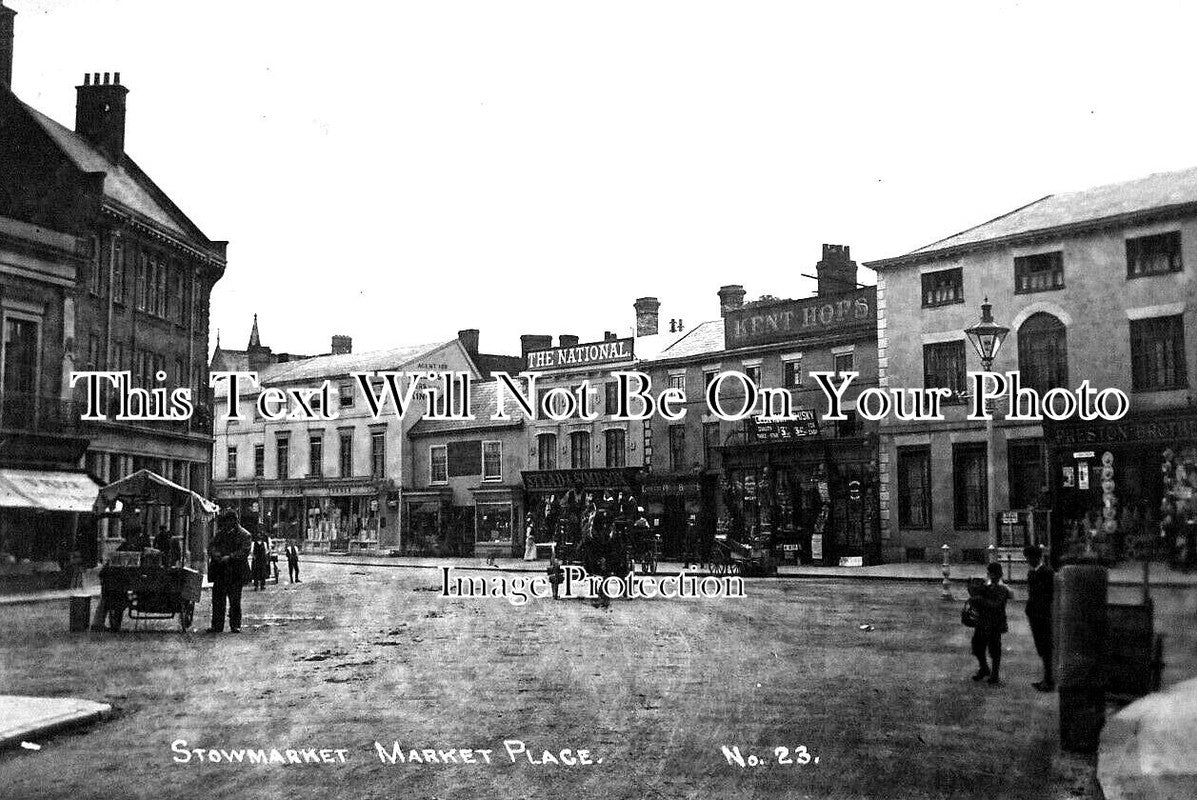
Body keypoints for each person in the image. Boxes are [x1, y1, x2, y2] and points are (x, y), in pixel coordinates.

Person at [969, 562, 1012, 685]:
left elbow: (996, 605)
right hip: (982, 621)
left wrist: (980, 600)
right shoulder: (986, 586)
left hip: (995, 622)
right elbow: (975, 596)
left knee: (994, 648)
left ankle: (995, 674)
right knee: (977, 646)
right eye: (990, 574)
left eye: (995, 574)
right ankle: (984, 668)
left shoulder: (1003, 588)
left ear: (1000, 575)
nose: (992, 576)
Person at [209, 510, 250, 633]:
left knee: (235, 600)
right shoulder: (221, 534)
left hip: (235, 573)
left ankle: (235, 625)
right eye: (225, 521)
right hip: (220, 572)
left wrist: (230, 557)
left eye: (229, 521)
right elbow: (212, 546)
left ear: (234, 521)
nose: (227, 524)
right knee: (217, 600)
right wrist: (216, 555)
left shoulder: (244, 535)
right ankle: (217, 626)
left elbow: (244, 551)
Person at [1024, 545, 1055, 691]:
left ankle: (1049, 680)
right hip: (1035, 615)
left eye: (1030, 557)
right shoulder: (1032, 573)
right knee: (1042, 648)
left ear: (1038, 557)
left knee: (1046, 648)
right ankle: (1046, 679)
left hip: (1043, 615)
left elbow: (1048, 595)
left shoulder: (1047, 572)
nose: (1029, 560)